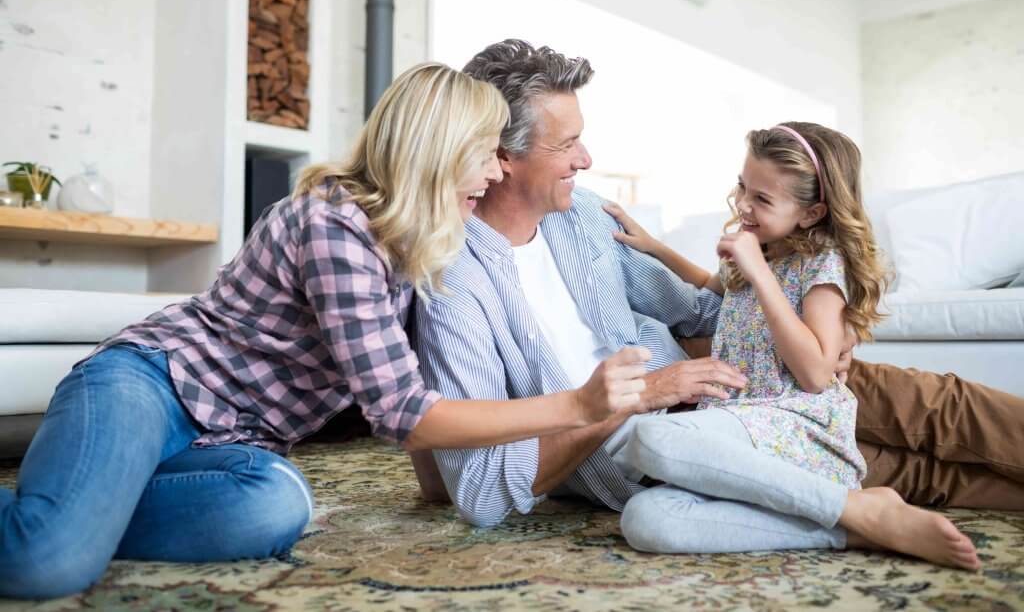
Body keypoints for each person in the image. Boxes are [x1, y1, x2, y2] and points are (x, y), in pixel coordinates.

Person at [0, 63, 679, 600]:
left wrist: (441, 484)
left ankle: (79, 499)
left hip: (236, 440)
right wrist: (581, 406)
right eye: (484, 153)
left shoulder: (422, 245)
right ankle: (65, 514)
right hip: (154, 383)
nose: (495, 170)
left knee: (275, 508)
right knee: (48, 563)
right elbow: (404, 413)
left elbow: (416, 395)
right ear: (437, 152)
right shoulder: (336, 223)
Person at [410, 39, 1024, 532]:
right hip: (683, 447)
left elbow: (704, 312)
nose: (587, 159)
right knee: (923, 475)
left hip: (739, 377)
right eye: (567, 144)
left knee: (936, 403)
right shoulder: (455, 284)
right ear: (502, 155)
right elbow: (483, 491)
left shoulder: (584, 216)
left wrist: (827, 326)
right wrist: (641, 395)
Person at [610, 121, 977, 569]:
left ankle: (850, 507)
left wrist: (761, 275)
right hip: (742, 425)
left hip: (793, 423)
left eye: (762, 199)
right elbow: (714, 286)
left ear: (811, 213)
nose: (743, 205)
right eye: (743, 187)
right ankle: (852, 525)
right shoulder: (761, 250)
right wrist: (655, 247)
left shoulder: (819, 264)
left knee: (651, 437)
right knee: (646, 518)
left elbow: (817, 373)